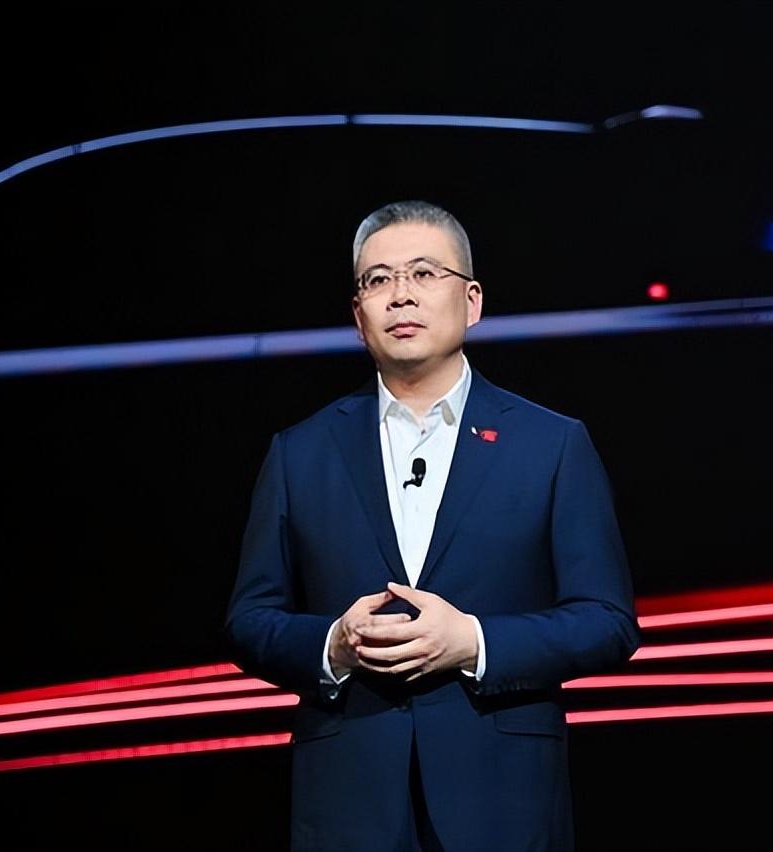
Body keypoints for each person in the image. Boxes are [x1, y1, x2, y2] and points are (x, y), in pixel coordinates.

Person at [224, 200, 640, 851]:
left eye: (423, 273)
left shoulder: (552, 445)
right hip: (350, 804)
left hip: (502, 802)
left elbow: (607, 621)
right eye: (378, 280)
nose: (401, 295)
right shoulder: (299, 452)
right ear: (358, 315)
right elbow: (250, 620)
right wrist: (334, 644)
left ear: (471, 302)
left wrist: (473, 642)